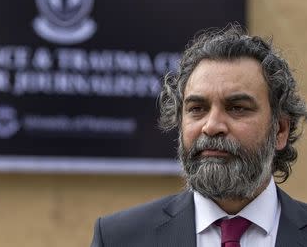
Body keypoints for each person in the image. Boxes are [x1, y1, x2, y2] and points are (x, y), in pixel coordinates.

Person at [90, 25, 307, 247]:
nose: (212, 126)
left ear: (280, 130)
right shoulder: (119, 239)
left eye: (237, 108)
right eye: (197, 108)